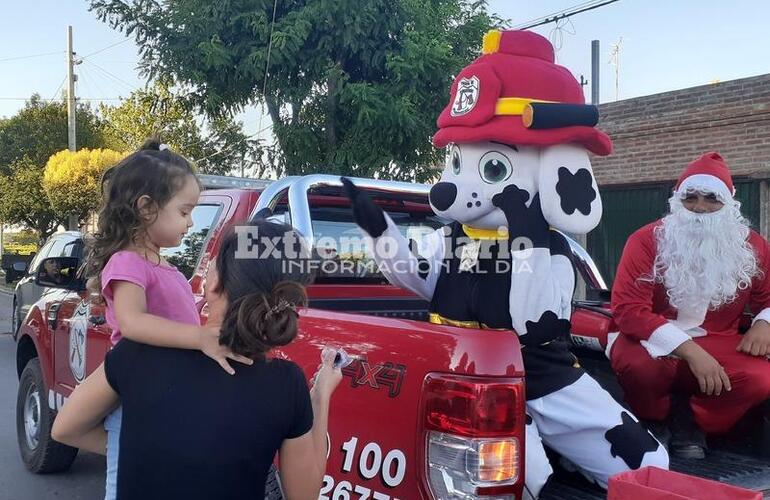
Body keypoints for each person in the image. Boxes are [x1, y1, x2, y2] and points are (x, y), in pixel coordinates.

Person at [345, 29, 668, 498]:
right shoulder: (452, 237)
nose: (451, 187)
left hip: (541, 376)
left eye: (492, 168)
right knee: (525, 479)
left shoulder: (551, 250)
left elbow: (531, 320)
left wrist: (529, 235)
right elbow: (419, 279)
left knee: (646, 461)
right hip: (470, 382)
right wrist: (380, 232)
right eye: (455, 163)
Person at [53, 219, 341, 499]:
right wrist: (320, 397)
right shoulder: (286, 385)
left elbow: (65, 428)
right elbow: (304, 495)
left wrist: (146, 447)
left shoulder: (137, 353)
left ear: (214, 282)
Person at [82, 139, 253, 499]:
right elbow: (131, 323)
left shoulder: (165, 266)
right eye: (185, 211)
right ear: (146, 208)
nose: (191, 222)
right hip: (138, 395)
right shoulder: (128, 262)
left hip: (165, 396)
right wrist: (200, 338)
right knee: (126, 485)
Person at [610, 151, 770, 459]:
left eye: (712, 199)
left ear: (729, 204)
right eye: (690, 197)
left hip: (717, 341)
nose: (699, 208)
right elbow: (629, 310)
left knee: (761, 377)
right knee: (642, 368)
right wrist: (690, 350)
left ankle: (694, 421)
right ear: (676, 200)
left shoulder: (754, 246)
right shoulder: (645, 239)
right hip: (649, 337)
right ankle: (654, 419)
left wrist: (764, 322)